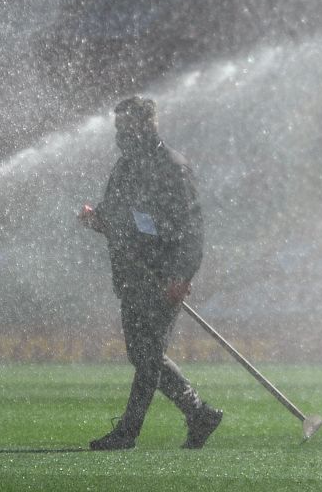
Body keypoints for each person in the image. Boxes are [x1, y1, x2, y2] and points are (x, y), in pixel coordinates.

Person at [78, 95, 222, 451]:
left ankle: (128, 432)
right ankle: (199, 413)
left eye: (124, 126)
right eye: (117, 128)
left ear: (146, 125)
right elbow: (115, 216)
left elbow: (192, 229)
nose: (119, 134)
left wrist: (181, 275)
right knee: (142, 354)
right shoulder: (126, 166)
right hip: (131, 276)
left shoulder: (173, 167)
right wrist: (97, 218)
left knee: (148, 355)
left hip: (162, 277)